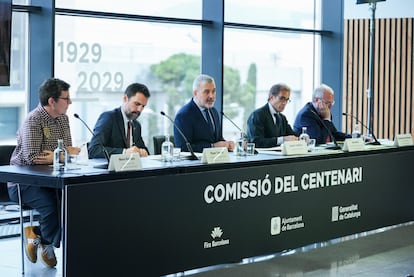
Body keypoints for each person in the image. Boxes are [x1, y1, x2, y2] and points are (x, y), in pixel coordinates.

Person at [7, 78, 81, 267]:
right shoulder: (33, 120)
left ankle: (37, 234)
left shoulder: (63, 119)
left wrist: (59, 155)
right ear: (52, 101)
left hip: (50, 180)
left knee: (74, 203)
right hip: (23, 182)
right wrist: (62, 154)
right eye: (66, 98)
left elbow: (67, 152)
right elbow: (33, 158)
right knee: (52, 206)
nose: (70, 102)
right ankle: (46, 243)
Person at [174, 74, 234, 153]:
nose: (211, 96)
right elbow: (183, 148)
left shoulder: (214, 112)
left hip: (216, 162)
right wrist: (212, 147)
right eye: (206, 92)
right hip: (196, 164)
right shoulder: (183, 115)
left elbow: (217, 139)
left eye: (213, 91)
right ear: (195, 93)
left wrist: (227, 144)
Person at [88, 83, 150, 158]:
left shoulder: (136, 125)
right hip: (111, 169)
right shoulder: (109, 118)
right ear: (125, 99)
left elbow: (142, 149)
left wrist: (143, 152)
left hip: (132, 168)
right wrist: (124, 152)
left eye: (143, 106)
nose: (140, 109)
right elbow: (94, 150)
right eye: (137, 104)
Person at [247, 83, 298, 148]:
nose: (284, 103)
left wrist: (302, 138)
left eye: (287, 100)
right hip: (262, 157)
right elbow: (256, 142)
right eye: (282, 98)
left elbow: (292, 135)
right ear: (271, 97)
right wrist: (282, 140)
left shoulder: (282, 118)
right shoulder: (257, 115)